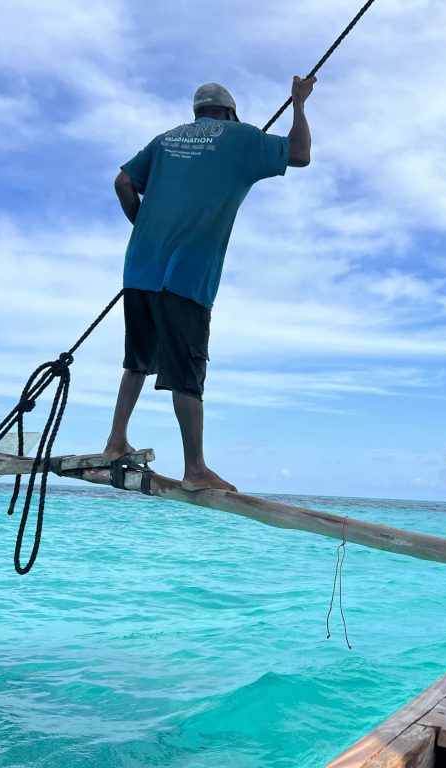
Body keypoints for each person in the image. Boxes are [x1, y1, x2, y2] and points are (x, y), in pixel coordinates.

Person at [102, 77, 316, 491]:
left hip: (140, 267)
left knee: (138, 359)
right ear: (231, 112)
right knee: (187, 370)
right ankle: (196, 468)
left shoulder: (166, 140)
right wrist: (299, 103)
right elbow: (301, 154)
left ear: (196, 113)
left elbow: (123, 182)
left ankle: (115, 441)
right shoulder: (241, 138)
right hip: (186, 273)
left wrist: (143, 227)